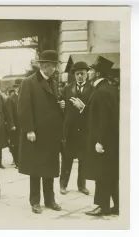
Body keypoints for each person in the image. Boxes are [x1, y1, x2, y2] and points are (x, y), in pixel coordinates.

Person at [70, 56, 119, 216]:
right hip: (109, 142)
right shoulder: (105, 88)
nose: (88, 73)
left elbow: (105, 119)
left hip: (103, 142)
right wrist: (84, 108)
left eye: (90, 70)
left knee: (102, 174)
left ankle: (102, 206)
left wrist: (100, 141)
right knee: (110, 174)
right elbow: (98, 114)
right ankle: (117, 206)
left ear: (97, 74)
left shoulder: (102, 91)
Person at [17, 50, 65, 214]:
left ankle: (50, 200)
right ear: (42, 65)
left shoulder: (53, 82)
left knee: (50, 168)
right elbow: (23, 109)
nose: (51, 68)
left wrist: (61, 106)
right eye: (49, 65)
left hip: (51, 134)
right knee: (35, 169)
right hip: (36, 134)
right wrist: (29, 129)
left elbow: (52, 105)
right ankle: (35, 201)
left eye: (53, 66)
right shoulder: (29, 82)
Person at [59, 61, 94, 196]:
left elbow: (94, 110)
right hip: (70, 130)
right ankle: (63, 185)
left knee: (83, 159)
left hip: (85, 130)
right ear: (74, 75)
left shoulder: (92, 89)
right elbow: (60, 105)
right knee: (67, 159)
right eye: (78, 74)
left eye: (83, 74)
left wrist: (83, 107)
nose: (80, 76)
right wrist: (61, 106)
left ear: (87, 74)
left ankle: (82, 185)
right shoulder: (67, 89)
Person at [6, 84, 20, 168]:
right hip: (15, 126)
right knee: (15, 144)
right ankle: (17, 162)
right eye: (17, 87)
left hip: (23, 125)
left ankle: (21, 161)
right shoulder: (10, 99)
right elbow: (9, 113)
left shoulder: (24, 97)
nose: (19, 89)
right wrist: (12, 124)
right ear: (15, 88)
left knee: (22, 144)